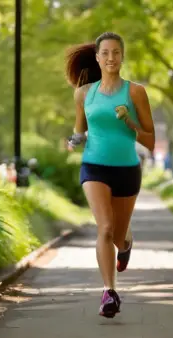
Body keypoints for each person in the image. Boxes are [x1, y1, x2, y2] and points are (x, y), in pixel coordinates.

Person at [65, 32, 155, 319]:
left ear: (122, 56)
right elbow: (80, 130)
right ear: (97, 57)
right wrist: (74, 141)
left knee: (117, 236)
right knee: (103, 228)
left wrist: (129, 121)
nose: (111, 58)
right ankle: (109, 292)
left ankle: (126, 241)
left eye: (116, 52)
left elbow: (150, 141)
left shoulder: (135, 92)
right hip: (94, 166)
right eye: (105, 53)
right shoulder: (84, 94)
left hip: (127, 169)